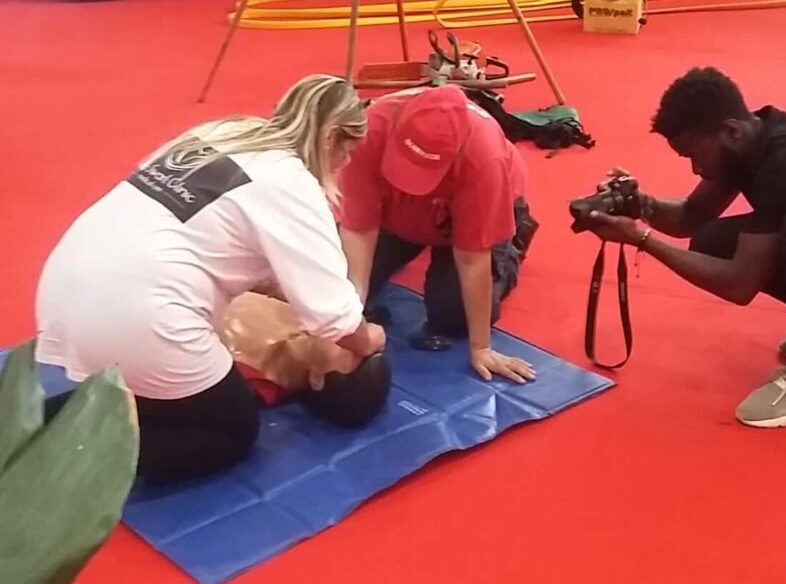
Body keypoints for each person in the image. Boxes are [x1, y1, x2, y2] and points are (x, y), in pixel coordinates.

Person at [35, 74, 386, 483]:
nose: (346, 164)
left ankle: (28, 430)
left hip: (68, 280)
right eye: (349, 151)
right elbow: (336, 318)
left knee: (169, 399)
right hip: (132, 313)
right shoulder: (293, 183)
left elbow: (213, 232)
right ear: (331, 138)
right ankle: (63, 458)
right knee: (231, 431)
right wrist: (369, 339)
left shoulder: (226, 131)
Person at [582, 67, 786, 428]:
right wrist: (640, 205)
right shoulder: (748, 138)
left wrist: (640, 239)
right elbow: (690, 218)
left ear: (730, 131)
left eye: (695, 155)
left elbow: (739, 285)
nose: (695, 169)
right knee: (712, 240)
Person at [337, 85, 539, 385]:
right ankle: (408, 247)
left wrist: (480, 347)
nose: (411, 179)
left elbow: (472, 259)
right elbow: (358, 230)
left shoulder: (484, 159)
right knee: (338, 285)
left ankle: (512, 237)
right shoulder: (370, 129)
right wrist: (352, 316)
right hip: (399, 215)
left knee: (453, 315)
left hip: (473, 212)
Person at [218, 290, 391, 427]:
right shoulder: (315, 317)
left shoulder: (241, 378)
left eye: (351, 353)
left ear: (317, 378)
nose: (356, 341)